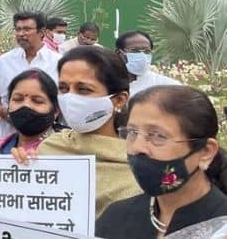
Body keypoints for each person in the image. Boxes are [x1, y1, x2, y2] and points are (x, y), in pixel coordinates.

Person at [14, 46, 141, 217]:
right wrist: (17, 170)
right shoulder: (49, 148)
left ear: (119, 100)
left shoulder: (137, 166)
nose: (70, 98)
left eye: (83, 90)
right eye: (64, 88)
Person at [96, 85, 227, 237]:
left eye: (157, 135)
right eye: (132, 132)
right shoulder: (116, 217)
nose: (137, 147)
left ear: (206, 152)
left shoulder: (221, 226)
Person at [0, 11, 60, 126]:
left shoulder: (57, 62)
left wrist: (48, 119)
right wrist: (4, 112)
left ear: (41, 32)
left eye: (27, 29)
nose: (21, 34)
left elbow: (65, 98)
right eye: (18, 29)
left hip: (46, 134)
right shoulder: (4, 61)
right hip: (10, 134)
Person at [0, 70, 60, 154]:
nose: (26, 105)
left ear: (55, 111)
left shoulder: (63, 151)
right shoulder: (0, 146)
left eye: (37, 101)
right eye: (18, 99)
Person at [115, 30, 178, 97]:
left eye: (147, 51)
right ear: (119, 53)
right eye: (135, 50)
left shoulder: (165, 86)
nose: (142, 55)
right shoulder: (107, 83)